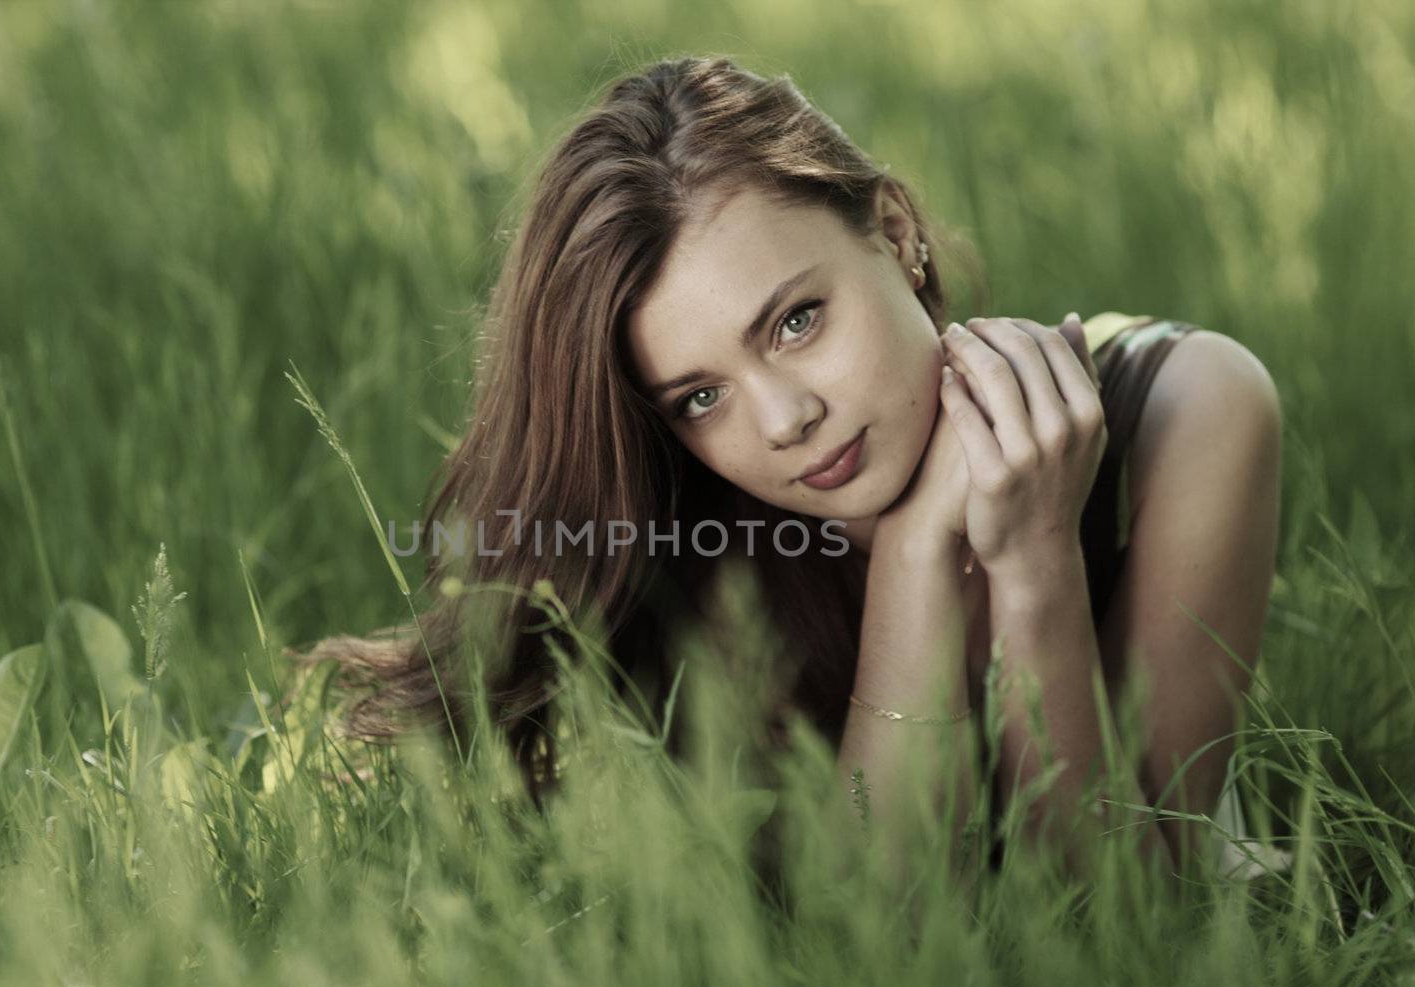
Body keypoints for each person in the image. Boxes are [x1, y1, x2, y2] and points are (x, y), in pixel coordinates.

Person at [281, 54, 1282, 882]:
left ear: (895, 235)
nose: (787, 419)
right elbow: (882, 947)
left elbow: (1124, 917)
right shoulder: (678, 533)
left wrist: (1031, 561)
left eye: (796, 321)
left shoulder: (1187, 409)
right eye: (699, 396)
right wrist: (913, 559)